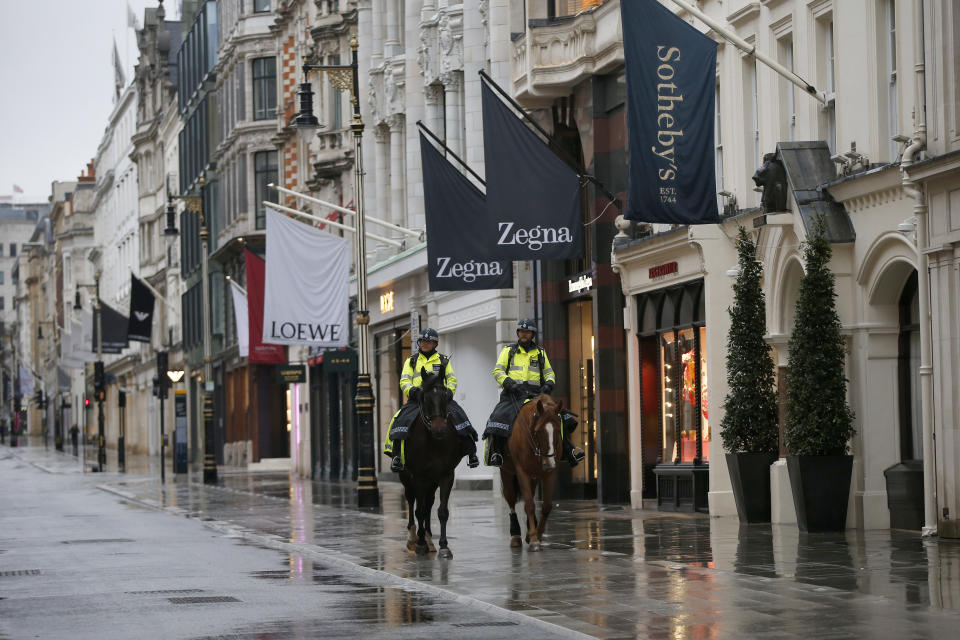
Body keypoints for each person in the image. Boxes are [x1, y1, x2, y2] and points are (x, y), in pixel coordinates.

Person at [482, 318, 585, 467]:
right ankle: (497, 453)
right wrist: (510, 383)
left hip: (536, 395)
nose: (524, 334)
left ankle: (568, 449)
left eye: (527, 332)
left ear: (533, 334)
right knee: (498, 416)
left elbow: (549, 373)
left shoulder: (540, 353)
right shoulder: (508, 350)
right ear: (518, 333)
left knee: (560, 417)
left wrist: (549, 384)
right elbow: (497, 371)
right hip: (513, 394)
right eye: (522, 332)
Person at [383, 328, 479, 472]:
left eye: (428, 342)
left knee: (460, 415)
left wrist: (448, 392)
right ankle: (397, 455)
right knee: (399, 419)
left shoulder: (443, 360)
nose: (425, 344)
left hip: (440, 400)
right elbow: (404, 381)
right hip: (417, 400)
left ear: (435, 343)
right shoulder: (412, 360)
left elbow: (452, 380)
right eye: (422, 341)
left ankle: (471, 452)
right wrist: (413, 391)